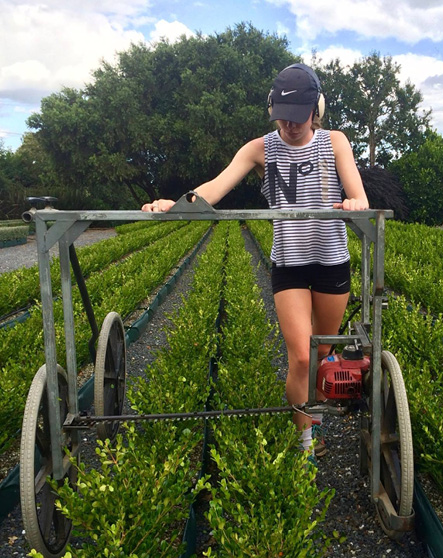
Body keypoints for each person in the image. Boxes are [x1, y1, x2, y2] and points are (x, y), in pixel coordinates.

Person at [142, 63, 369, 459]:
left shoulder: (335, 142)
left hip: (331, 260)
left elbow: (359, 196)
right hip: (289, 264)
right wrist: (175, 204)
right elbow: (215, 187)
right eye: (282, 116)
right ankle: (304, 443)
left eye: (298, 117)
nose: (290, 125)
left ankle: (314, 415)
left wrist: (353, 203)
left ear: (316, 110)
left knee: (322, 354)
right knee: (300, 353)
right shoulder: (259, 148)